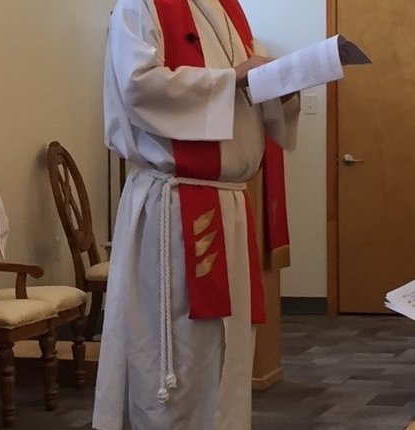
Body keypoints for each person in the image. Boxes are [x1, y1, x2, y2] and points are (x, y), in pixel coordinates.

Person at [93, 1, 299, 429]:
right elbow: (138, 86)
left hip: (229, 204)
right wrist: (231, 79)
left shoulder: (229, 10)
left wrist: (282, 88)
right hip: (174, 205)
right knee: (174, 352)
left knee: (228, 347)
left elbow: (250, 95)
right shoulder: (141, 5)